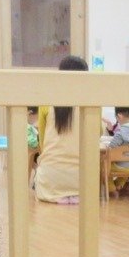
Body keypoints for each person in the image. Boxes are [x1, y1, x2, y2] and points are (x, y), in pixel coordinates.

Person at [33, 55, 87, 204]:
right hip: (83, 179)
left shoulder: (47, 101)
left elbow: (42, 142)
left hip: (50, 180)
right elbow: (96, 136)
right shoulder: (91, 104)